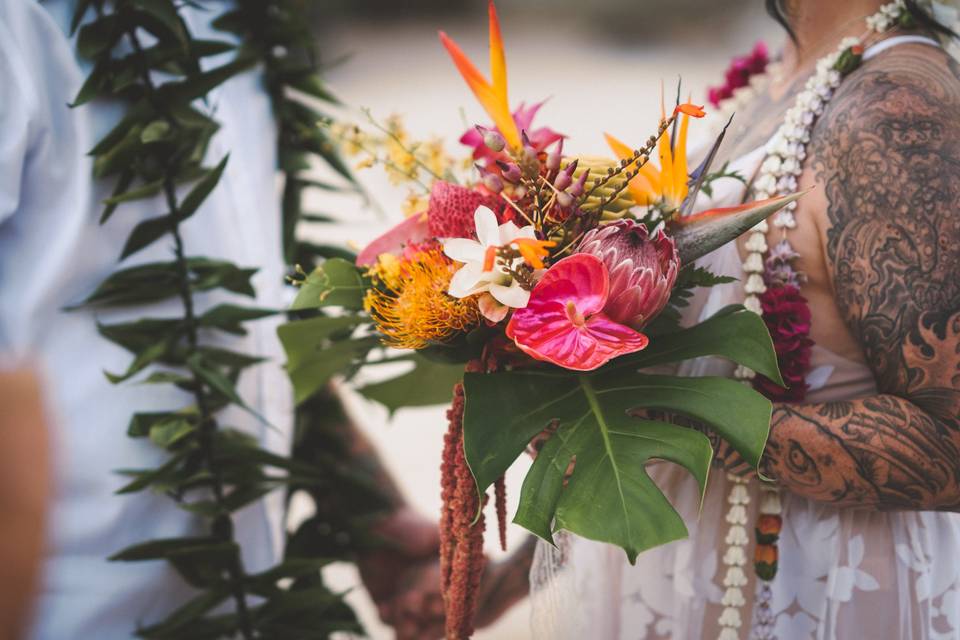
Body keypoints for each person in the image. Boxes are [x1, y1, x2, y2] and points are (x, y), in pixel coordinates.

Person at [394, 1, 960, 638]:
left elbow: (952, 440)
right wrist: (491, 583)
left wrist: (674, 422)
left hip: (817, 589)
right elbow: (678, 367)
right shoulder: (779, 78)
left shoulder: (896, 114)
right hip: (674, 584)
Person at [0, 1, 439, 638]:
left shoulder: (235, 14)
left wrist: (365, 504)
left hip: (243, 604)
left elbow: (245, 298)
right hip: (72, 610)